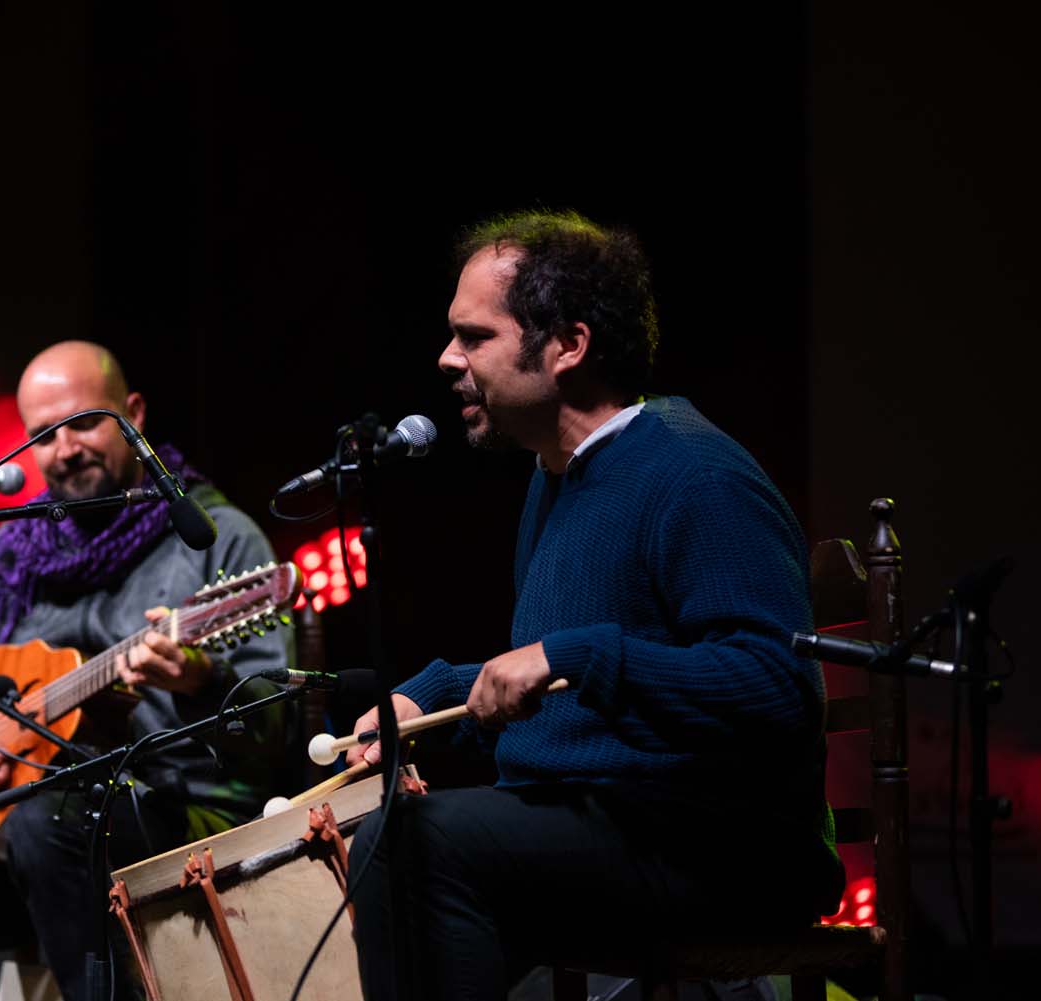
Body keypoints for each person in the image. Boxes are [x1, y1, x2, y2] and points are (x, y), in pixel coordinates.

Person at [346, 212, 845, 1000]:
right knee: (379, 842)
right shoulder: (555, 477)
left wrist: (574, 655)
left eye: (473, 337)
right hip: (611, 827)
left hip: (721, 852)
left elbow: (775, 687)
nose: (447, 359)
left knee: (411, 846)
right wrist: (433, 695)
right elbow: (567, 689)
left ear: (568, 347)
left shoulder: (695, 475)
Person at [0, 341, 292, 1001]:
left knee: (48, 820)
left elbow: (274, 718)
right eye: (42, 435)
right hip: (33, 845)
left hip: (175, 819)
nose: (64, 447)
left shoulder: (212, 536)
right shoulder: (9, 559)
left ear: (134, 413)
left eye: (84, 422)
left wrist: (199, 679)